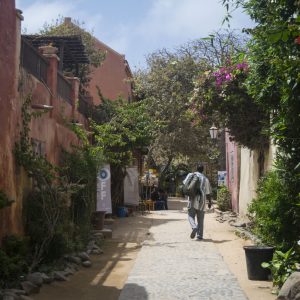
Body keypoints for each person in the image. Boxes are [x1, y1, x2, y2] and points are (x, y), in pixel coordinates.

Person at [183, 164, 212, 240]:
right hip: (201, 201)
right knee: (200, 219)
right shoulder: (205, 179)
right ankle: (199, 235)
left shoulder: (191, 175)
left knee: (190, 216)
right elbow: (208, 193)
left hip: (192, 199)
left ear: (196, 169)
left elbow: (185, 184)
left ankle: (194, 227)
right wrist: (209, 202)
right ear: (203, 170)